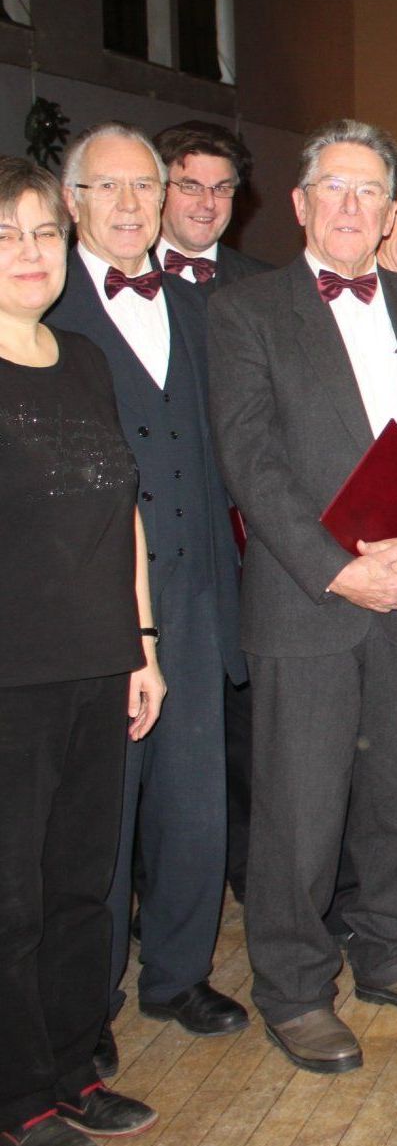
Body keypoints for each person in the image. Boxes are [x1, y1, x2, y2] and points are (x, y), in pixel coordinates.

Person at [207, 119, 397, 1073]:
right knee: (299, 805)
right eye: (332, 187)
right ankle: (294, 987)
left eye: (368, 190)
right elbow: (252, 462)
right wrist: (339, 567)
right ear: (297, 204)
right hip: (309, 600)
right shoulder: (246, 312)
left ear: (387, 211)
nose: (349, 206)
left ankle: (392, 949)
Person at [52, 124, 249, 1069]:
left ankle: (179, 974)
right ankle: (84, 1010)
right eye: (111, 188)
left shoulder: (202, 308)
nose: (133, 205)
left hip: (201, 589)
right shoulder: (42, 311)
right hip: (95, 607)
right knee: (102, 819)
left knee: (194, 802)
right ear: (72, 200)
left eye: (147, 185)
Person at [0, 156, 163, 1146]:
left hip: (100, 665)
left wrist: (142, 646)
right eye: (4, 236)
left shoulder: (83, 358)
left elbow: (126, 515)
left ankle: (73, 1066)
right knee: (8, 896)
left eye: (41, 235)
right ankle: (16, 1093)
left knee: (80, 886)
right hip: (9, 679)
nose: (28, 254)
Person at [152, 121, 268, 904]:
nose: (206, 201)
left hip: (252, 549)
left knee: (243, 732)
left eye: (222, 187)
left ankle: (247, 874)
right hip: (152, 550)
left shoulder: (263, 286)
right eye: (189, 183)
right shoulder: (100, 284)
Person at [153, 121, 271, 295]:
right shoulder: (120, 276)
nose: (208, 203)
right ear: (160, 190)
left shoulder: (268, 285)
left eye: (221, 188)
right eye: (192, 187)